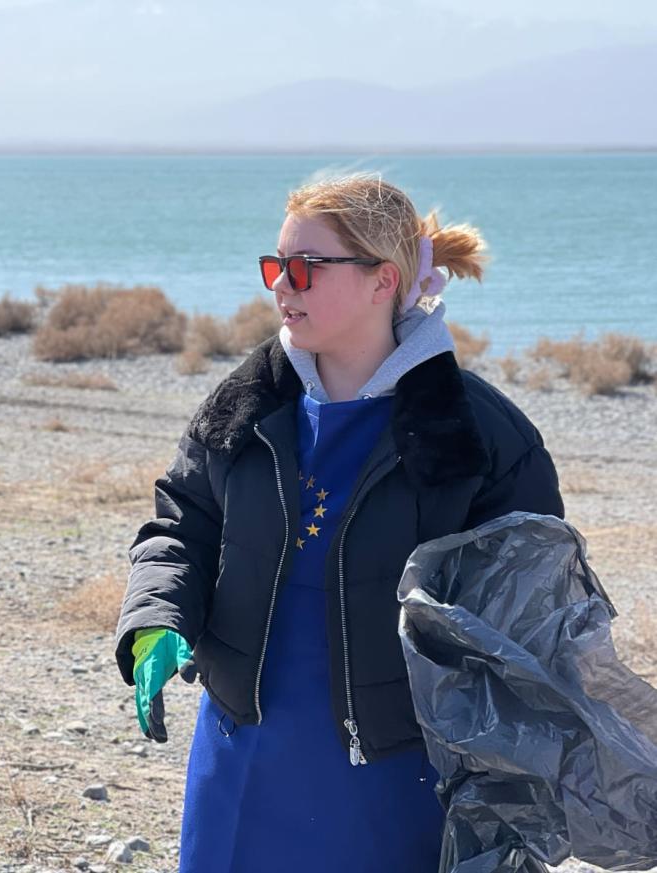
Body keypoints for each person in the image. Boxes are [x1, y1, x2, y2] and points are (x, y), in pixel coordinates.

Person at [114, 173, 565, 872]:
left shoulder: (480, 436)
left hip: (396, 777)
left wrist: (503, 800)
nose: (281, 287)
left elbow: (530, 630)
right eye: (275, 266)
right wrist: (156, 616)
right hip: (242, 752)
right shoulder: (246, 401)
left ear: (384, 279)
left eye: (305, 268)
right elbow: (182, 522)